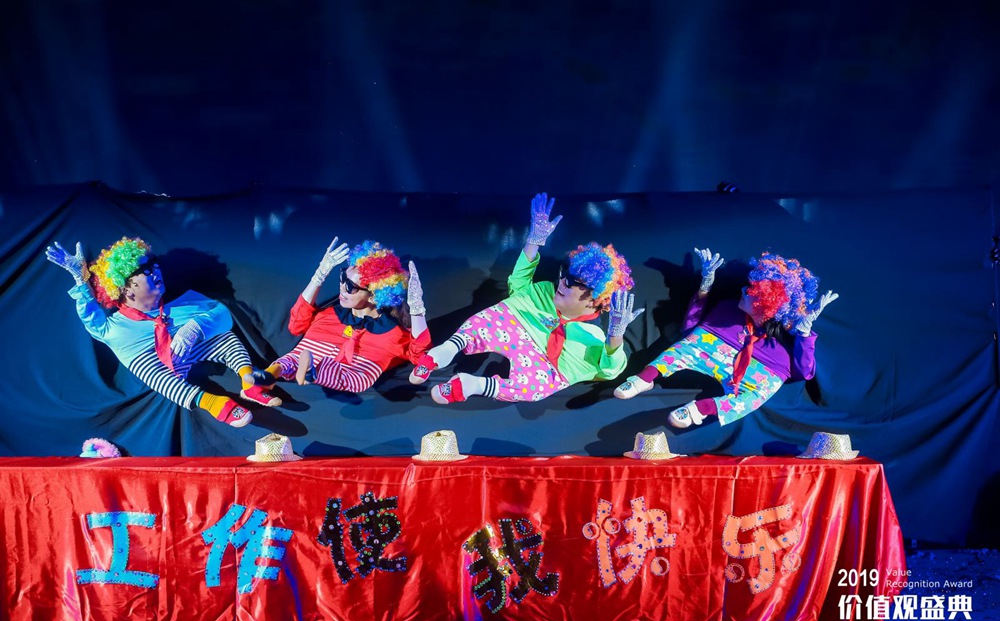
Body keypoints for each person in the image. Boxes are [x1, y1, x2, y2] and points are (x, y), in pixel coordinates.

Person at [410, 192, 642, 404]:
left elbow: (611, 370)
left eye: (573, 282)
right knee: (492, 317)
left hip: (541, 364)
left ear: (594, 299)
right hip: (514, 326)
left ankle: (471, 385)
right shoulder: (544, 292)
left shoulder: (593, 337)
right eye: (564, 275)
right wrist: (534, 241)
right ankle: (444, 351)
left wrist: (615, 335)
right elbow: (518, 284)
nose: (562, 282)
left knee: (537, 389)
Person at [45, 237, 279, 428]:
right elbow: (90, 316)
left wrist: (194, 328)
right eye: (144, 270)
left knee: (224, 337)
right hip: (162, 370)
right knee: (149, 371)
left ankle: (249, 381)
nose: (155, 270)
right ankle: (212, 402)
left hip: (190, 350)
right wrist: (81, 279)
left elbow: (223, 316)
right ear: (125, 287)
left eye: (154, 264)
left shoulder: (184, 302)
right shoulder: (115, 328)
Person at [614, 247, 838, 428]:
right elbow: (690, 329)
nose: (743, 290)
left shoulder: (782, 345)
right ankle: (644, 378)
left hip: (760, 369)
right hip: (712, 348)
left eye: (751, 292)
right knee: (684, 348)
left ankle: (700, 409)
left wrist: (805, 333)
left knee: (756, 396)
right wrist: (705, 286)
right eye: (748, 286)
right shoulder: (727, 309)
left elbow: (804, 372)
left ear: (767, 305)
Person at [250, 238, 430, 392]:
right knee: (291, 359)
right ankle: (269, 375)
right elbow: (296, 325)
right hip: (311, 352)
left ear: (375, 296)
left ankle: (313, 371)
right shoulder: (329, 315)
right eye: (343, 277)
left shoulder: (392, 333)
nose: (342, 288)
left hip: (356, 368)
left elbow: (420, 356)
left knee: (357, 379)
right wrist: (319, 275)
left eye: (350, 286)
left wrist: (417, 309)